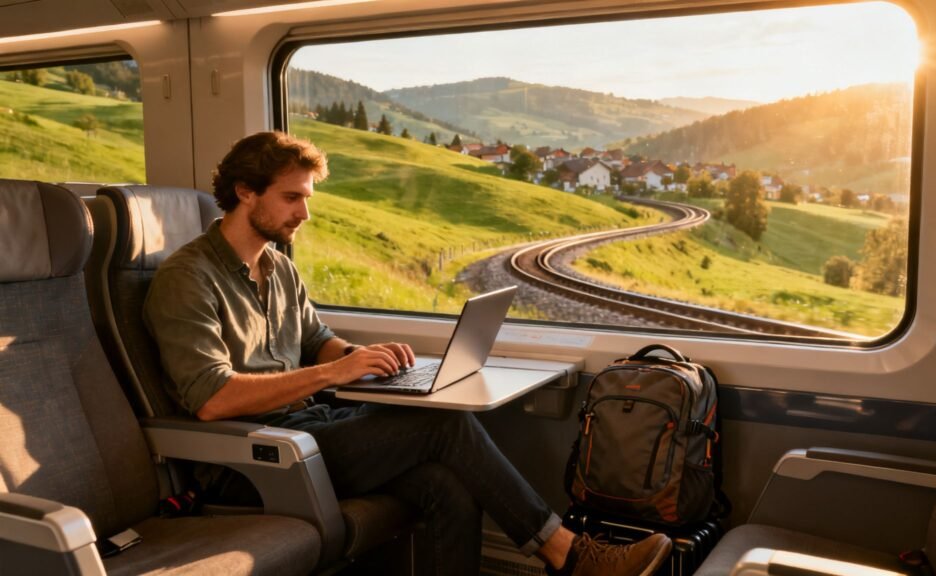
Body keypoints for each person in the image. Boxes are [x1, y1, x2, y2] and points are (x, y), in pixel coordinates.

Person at [144, 131, 672, 576]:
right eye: (292, 198)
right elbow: (213, 400)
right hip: (255, 458)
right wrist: (335, 372)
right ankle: (571, 556)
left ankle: (569, 557)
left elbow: (315, 340)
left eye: (307, 197)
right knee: (443, 426)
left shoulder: (277, 266)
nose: (305, 213)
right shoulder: (187, 279)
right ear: (245, 192)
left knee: (447, 486)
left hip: (311, 427)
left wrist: (368, 357)